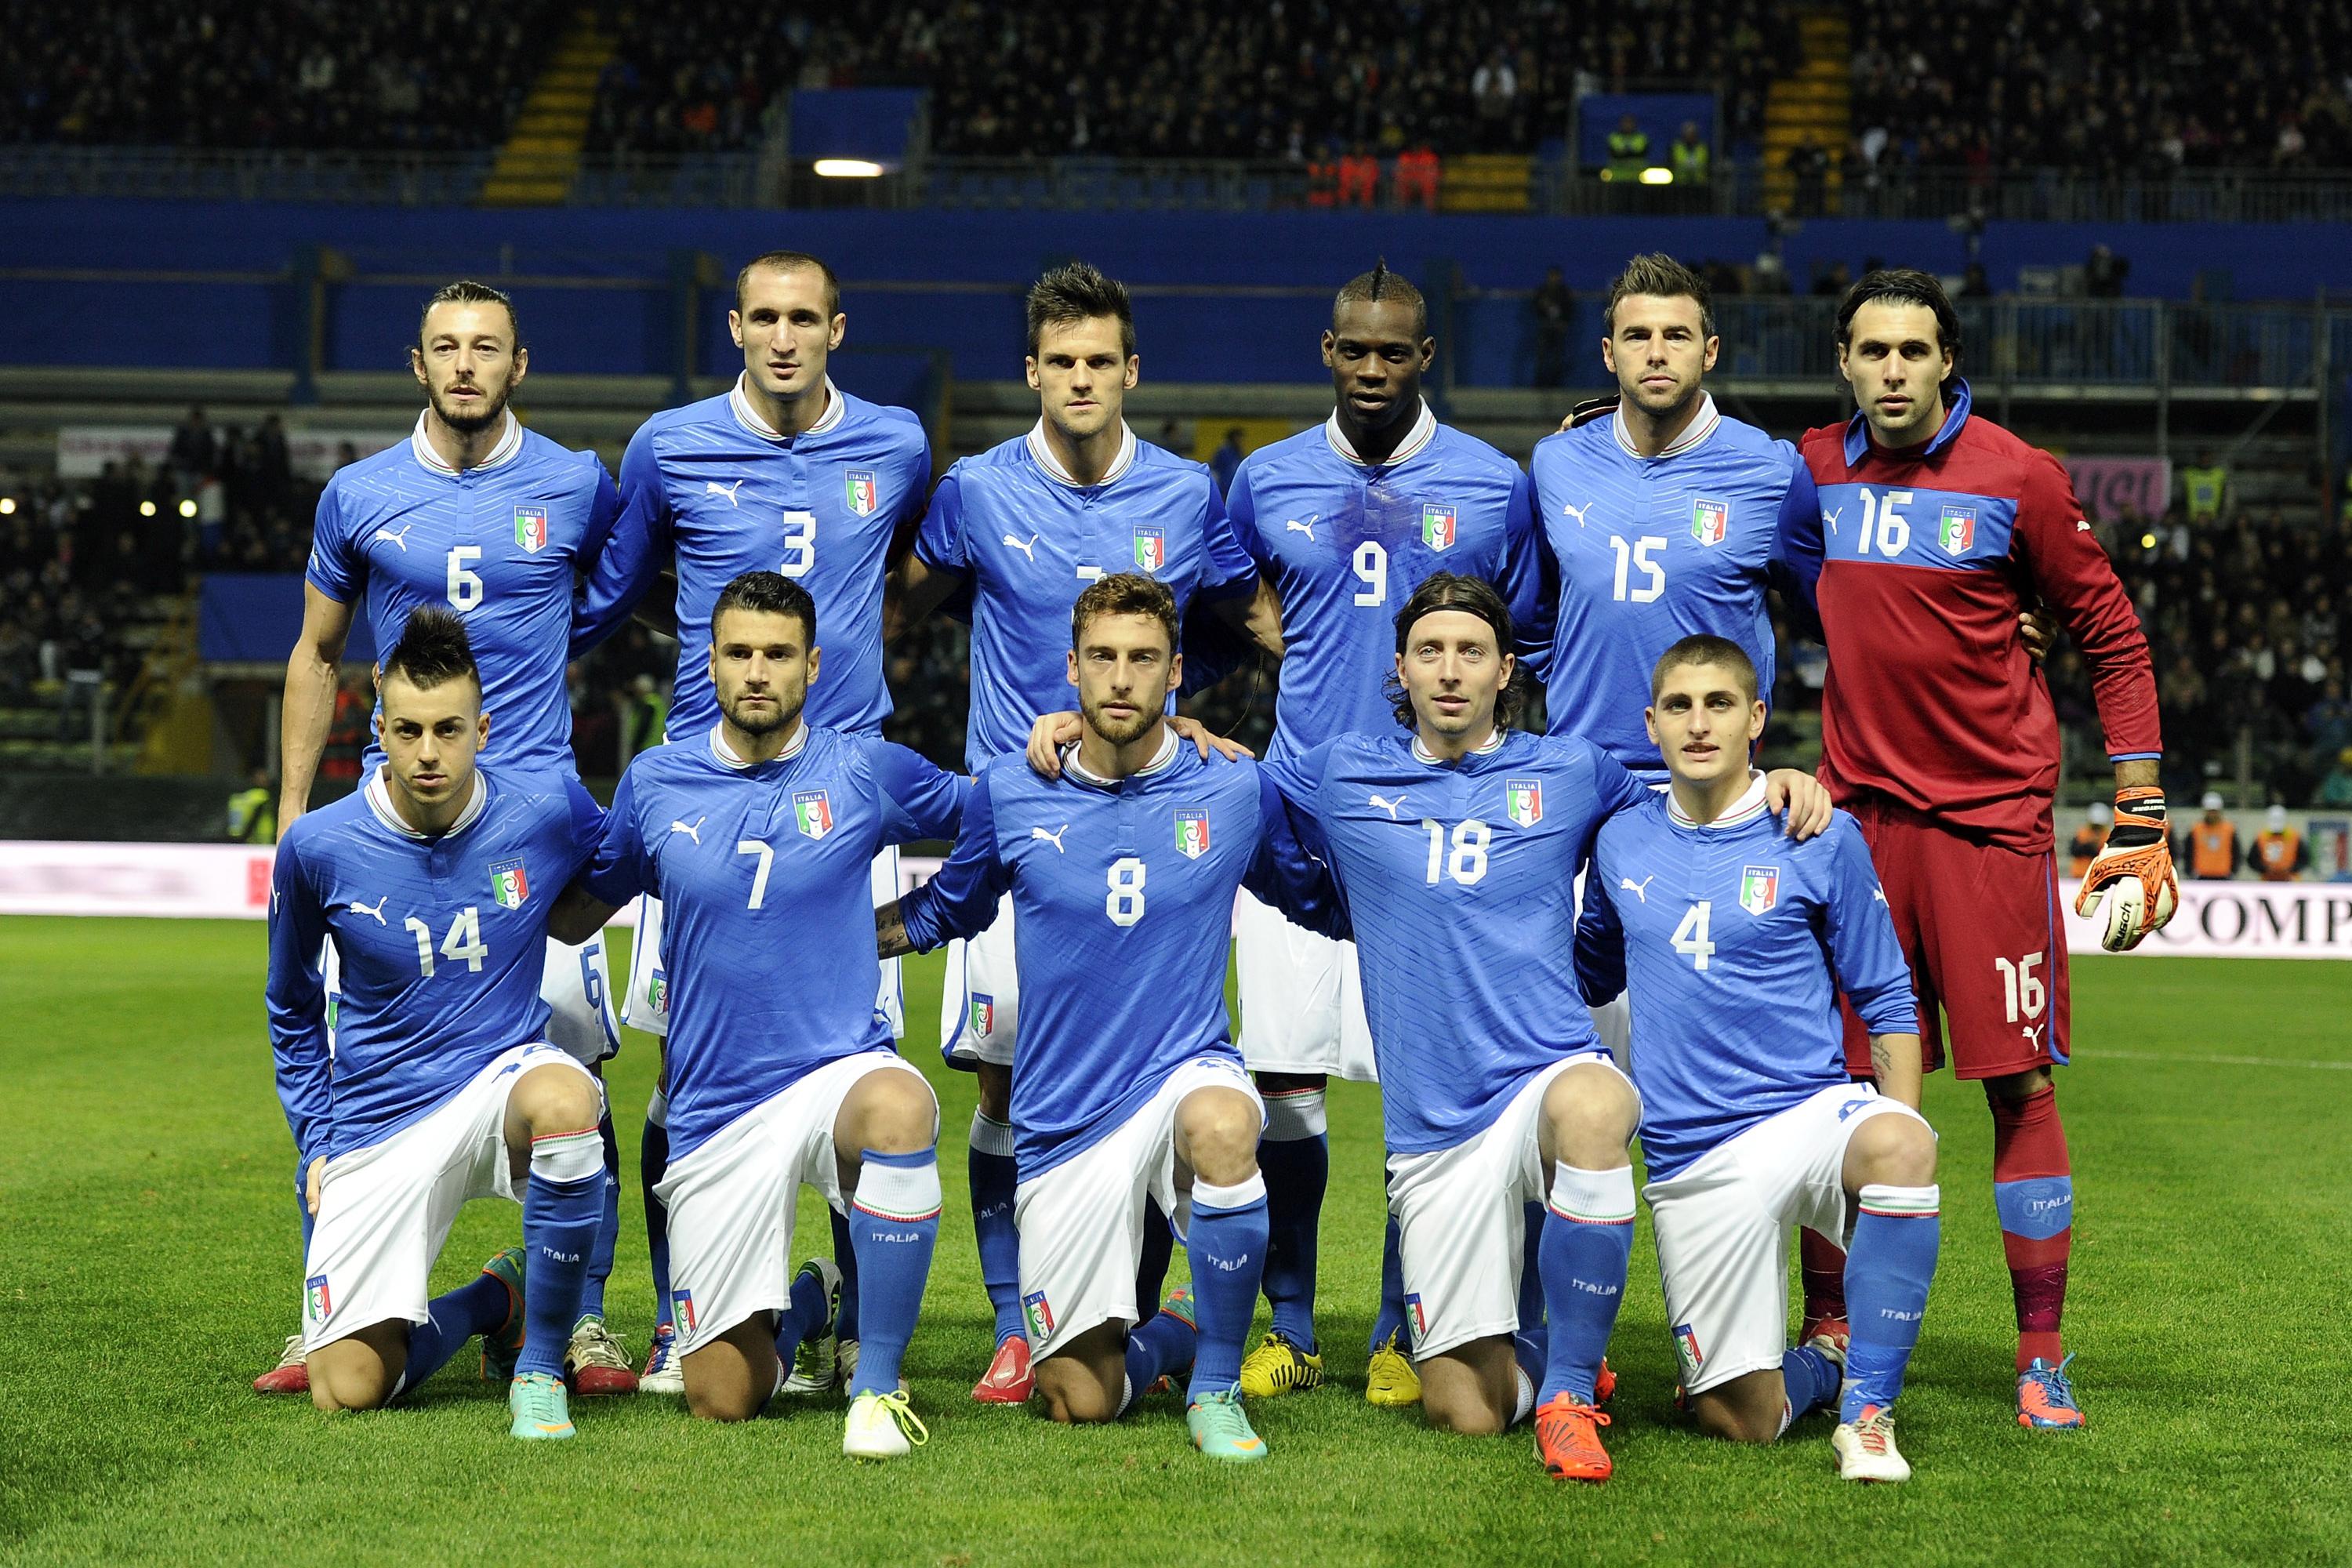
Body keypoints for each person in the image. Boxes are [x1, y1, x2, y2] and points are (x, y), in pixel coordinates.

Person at [1068, 262, 1544, 1406]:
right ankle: (1288, 1325)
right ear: (1325, 352)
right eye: (1354, 349)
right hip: (1292, 811)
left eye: (1394, 351)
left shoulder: (1492, 485)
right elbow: (1227, 623)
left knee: (1426, 1087)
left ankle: (1400, 1323)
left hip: (1428, 826)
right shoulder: (1265, 479)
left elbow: (1524, 642)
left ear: (1425, 357)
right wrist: (1182, 708)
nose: (1373, 368)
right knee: (1284, 1081)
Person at [1260, 575, 1832, 1483]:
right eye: (1431, 652)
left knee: (1599, 1101)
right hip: (1435, 1128)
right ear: (1400, 670)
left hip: (1544, 1073)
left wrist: (1776, 777)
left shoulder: (1570, 771)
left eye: (1472, 652)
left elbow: (1693, 800)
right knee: (1466, 1410)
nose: (1451, 670)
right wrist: (1179, 734)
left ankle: (1570, 1393)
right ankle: (1549, 1353)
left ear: (1506, 670)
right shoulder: (1338, 771)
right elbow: (1211, 791)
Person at [1781, 268, 2175, 1429]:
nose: (1892, 371)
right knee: (1838, 1088)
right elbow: (1777, 556)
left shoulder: (2019, 478)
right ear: (1843, 362)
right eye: (1870, 352)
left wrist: (2141, 805)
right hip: (1858, 830)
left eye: (1913, 351)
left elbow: (2113, 638)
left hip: (1991, 826)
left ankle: (2041, 1355)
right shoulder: (1812, 469)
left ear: (1947, 358)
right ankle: (1829, 1330)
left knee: (2017, 1084)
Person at [890, 262, 1279, 1403]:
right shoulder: (974, 490)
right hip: (1018, 834)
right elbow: (896, 600)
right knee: (1004, 1090)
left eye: (1099, 361)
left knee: (1153, 1076)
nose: (1080, 379)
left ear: (1130, 371)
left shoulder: (1185, 496)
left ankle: (1128, 1302)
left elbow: (1242, 625)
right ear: (1031, 372)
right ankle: (1021, 1322)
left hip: (1142, 818)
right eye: (1060, 361)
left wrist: (1182, 713)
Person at [572, 248, 934, 1395]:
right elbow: (608, 595)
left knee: (859, 1070)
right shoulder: (669, 446)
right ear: (735, 327)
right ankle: (691, 1318)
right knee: (681, 1081)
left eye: (804, 319)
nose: (784, 337)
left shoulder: (897, 444)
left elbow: (916, 566)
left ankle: (850, 1325)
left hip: (844, 809)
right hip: (702, 813)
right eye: (764, 318)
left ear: (839, 327)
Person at [879, 574, 1342, 1463]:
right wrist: (826, 938)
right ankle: (1177, 1327)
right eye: (1104, 657)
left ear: (1175, 675)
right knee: (1077, 1397)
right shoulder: (1012, 791)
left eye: (1143, 659)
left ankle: (1214, 1388)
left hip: (1181, 1073)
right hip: (1064, 1120)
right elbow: (945, 909)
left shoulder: (1233, 787)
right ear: (1073, 670)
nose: (1122, 678)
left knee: (1225, 1120)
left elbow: (1313, 896)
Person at [268, 280, 632, 1399]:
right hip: (403, 829)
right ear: (416, 364)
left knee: (577, 1072)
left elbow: (617, 614)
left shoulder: (577, 483)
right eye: (445, 347)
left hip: (540, 831)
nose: (465, 365)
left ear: (519, 364)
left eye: (486, 348)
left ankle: (578, 1317)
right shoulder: (360, 494)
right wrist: (292, 814)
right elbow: (318, 653)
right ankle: (324, 1307)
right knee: (357, 1046)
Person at [550, 572, 963, 1457]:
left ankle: (879, 1384)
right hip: (717, 1111)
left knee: (900, 1104)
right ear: (710, 662)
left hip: (835, 1072)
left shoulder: (864, 768)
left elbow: (998, 815)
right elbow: (577, 909)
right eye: (739, 652)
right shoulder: (656, 782)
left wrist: (929, 918)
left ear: (813, 665)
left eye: (778, 653)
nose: (757, 671)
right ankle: (813, 1297)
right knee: (723, 1396)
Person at [1579, 635, 1940, 1483]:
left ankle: (1870, 1415)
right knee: (1739, 1416)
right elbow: (1588, 969)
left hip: (1810, 1112)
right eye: (1679, 706)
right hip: (1693, 1152)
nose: (1699, 723)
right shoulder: (1621, 841)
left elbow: (1888, 999)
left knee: (1901, 1145)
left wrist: (1903, 1127)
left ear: (1756, 719)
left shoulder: (1817, 832)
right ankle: (1823, 1365)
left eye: (1718, 704)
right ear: (1652, 724)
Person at [266, 608, 608, 1440]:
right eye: (409, 730)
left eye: (449, 729)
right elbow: (290, 1002)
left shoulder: (546, 806)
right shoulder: (318, 847)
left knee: (570, 1098)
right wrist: (317, 1138)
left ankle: (539, 1368)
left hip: (501, 1081)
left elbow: (623, 866)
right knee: (345, 1385)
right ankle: (498, 1298)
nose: (428, 752)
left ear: (482, 728)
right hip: (380, 1114)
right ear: (376, 727)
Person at [2181, 790, 2238, 879]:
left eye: (2214, 811)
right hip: (2201, 876)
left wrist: (2233, 872)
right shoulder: (2196, 829)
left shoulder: (2229, 830)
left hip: (2223, 876)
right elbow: (2187, 852)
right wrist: (2190, 872)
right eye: (2210, 811)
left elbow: (2236, 853)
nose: (2212, 815)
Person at [1531, 267, 1573, 389]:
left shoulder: (1564, 293)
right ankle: (1539, 383)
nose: (1554, 279)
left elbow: (1570, 309)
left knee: (1557, 358)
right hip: (1545, 327)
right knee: (1542, 357)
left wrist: (1564, 323)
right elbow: (1535, 307)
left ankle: (1555, 384)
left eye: (1557, 276)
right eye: (1552, 276)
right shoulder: (1542, 291)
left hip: (1559, 329)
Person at [2249, 804, 2310, 880]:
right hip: (2268, 881)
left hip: (2291, 881)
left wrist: (2291, 869)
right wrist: (2265, 869)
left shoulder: (2295, 837)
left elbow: (2304, 859)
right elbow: (2252, 860)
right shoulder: (2261, 837)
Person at [228, 766, 277, 844]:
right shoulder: (262, 795)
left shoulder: (238, 798)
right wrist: (246, 834)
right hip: (262, 834)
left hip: (242, 835)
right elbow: (256, 815)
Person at [2067, 801, 2110, 877]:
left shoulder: (2107, 836)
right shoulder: (2082, 833)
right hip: (2079, 875)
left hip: (2098, 877)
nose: (2097, 829)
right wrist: (2088, 846)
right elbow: (2073, 851)